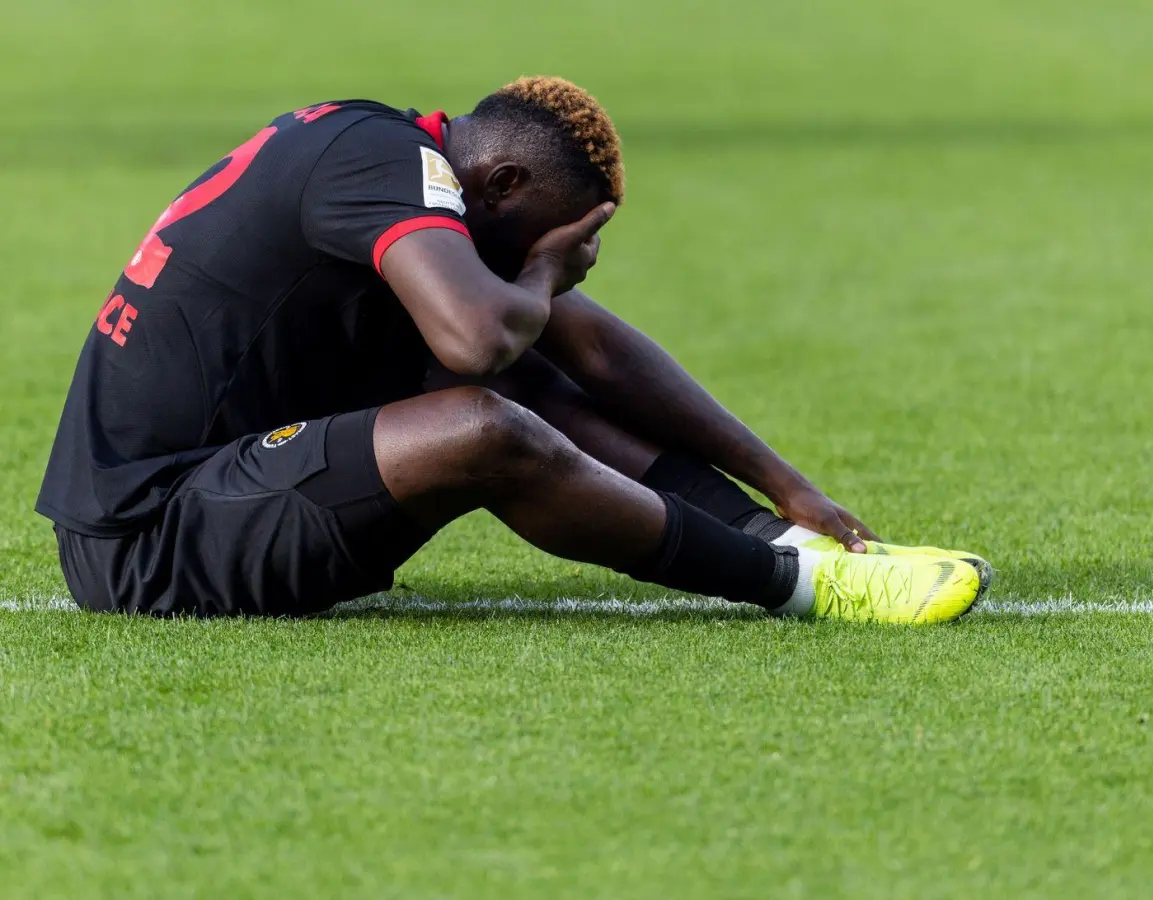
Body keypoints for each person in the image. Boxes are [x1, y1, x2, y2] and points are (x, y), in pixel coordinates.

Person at [35, 77, 991, 623]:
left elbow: (594, 352)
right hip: (151, 536)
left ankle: (786, 541)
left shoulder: (395, 155)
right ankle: (804, 588)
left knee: (532, 373)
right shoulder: (383, 167)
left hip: (224, 480)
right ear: (496, 181)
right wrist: (537, 277)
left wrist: (785, 485)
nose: (561, 263)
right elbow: (483, 334)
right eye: (550, 234)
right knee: (484, 419)